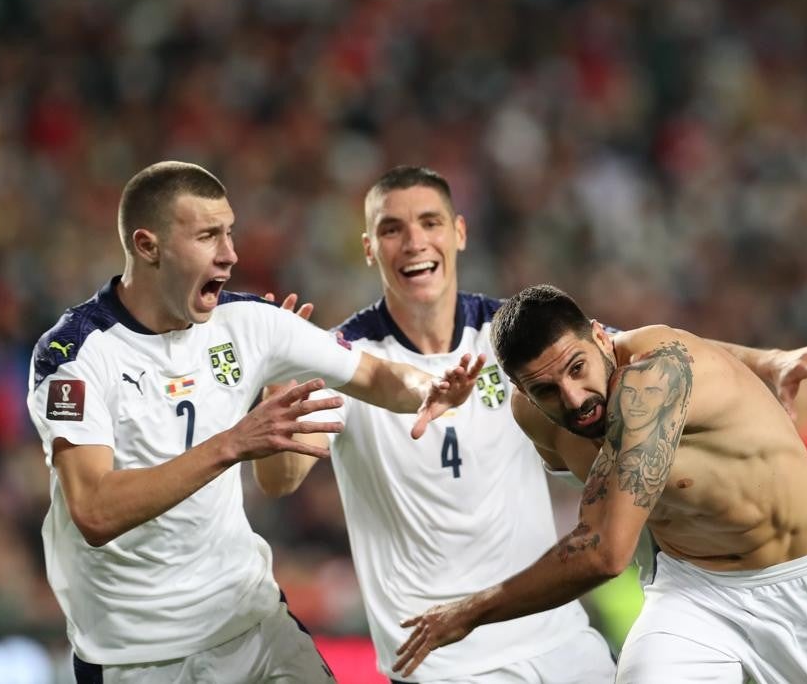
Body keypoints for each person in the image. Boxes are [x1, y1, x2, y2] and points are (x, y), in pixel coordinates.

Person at [256, 165, 807, 683]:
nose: (414, 242)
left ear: (459, 232)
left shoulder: (525, 341)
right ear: (368, 247)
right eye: (392, 228)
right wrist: (281, 384)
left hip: (566, 634)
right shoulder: (345, 359)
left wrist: (771, 362)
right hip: (455, 650)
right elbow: (281, 480)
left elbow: (662, 354)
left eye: (430, 222)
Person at [25, 161, 481, 683]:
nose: (230, 253)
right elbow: (95, 511)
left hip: (252, 626)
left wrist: (433, 387)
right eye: (207, 236)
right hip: (135, 655)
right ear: (148, 246)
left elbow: (378, 377)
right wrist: (233, 443)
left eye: (230, 232)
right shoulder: (75, 355)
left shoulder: (248, 324)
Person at [392, 283, 807, 683]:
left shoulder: (651, 378)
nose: (574, 399)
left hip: (801, 582)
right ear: (522, 390)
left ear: (601, 338)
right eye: (545, 390)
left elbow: (604, 551)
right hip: (692, 589)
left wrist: (470, 613)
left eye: (576, 369)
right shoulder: (536, 418)